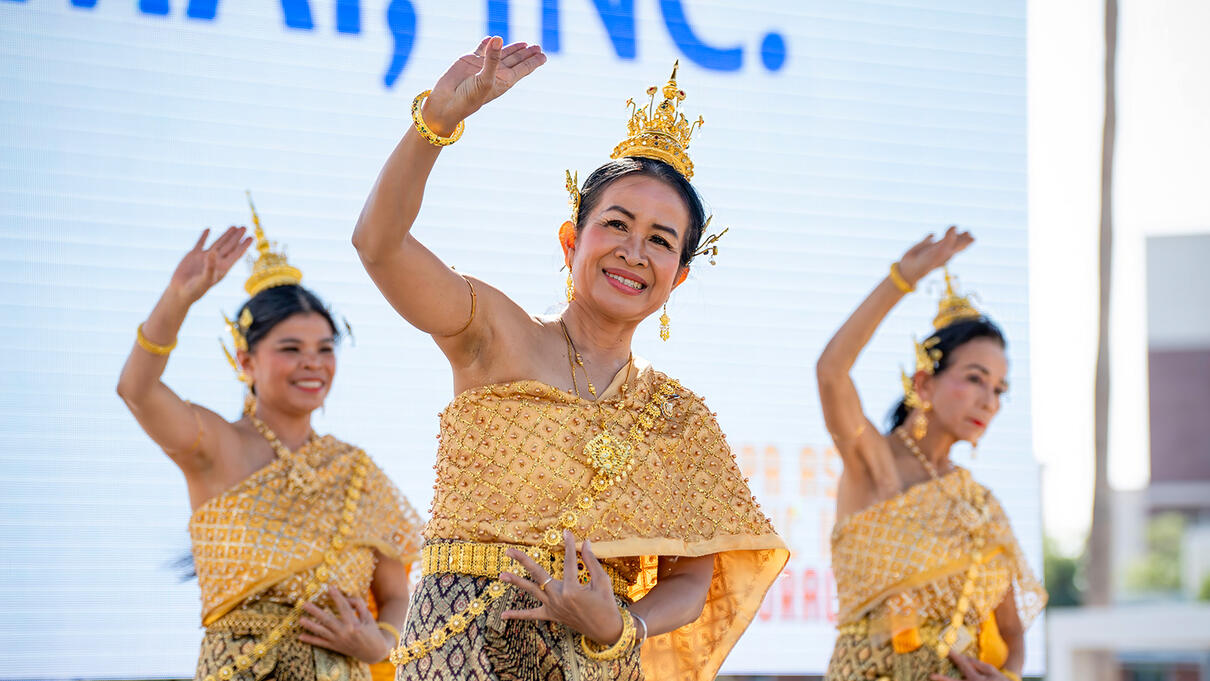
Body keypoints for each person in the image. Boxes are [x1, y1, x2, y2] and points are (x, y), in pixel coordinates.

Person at [352, 37, 787, 681]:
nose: (634, 251)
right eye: (615, 224)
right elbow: (379, 245)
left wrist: (622, 625)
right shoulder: (495, 334)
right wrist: (435, 125)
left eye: (661, 241)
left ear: (679, 277)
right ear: (571, 239)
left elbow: (694, 581)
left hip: (592, 660)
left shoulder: (678, 420)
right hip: (459, 648)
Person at [116, 199, 422, 681]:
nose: (312, 363)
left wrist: (381, 642)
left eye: (325, 349)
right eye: (290, 349)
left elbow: (397, 590)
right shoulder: (215, 446)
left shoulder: (356, 469)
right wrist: (177, 299)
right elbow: (137, 389)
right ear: (245, 360)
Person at [815, 228, 1047, 681]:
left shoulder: (982, 505)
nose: (989, 400)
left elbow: (1012, 634)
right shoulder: (875, 464)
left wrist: (1009, 677)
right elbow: (831, 372)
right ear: (924, 383)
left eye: (999, 389)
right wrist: (903, 278)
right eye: (975, 378)